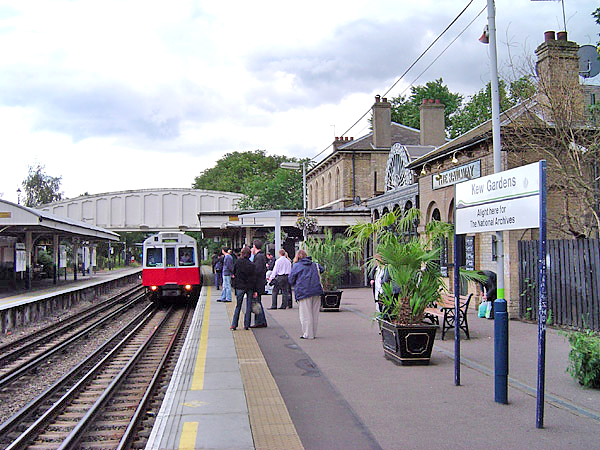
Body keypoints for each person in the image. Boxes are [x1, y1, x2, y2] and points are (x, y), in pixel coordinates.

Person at [288, 249, 324, 339]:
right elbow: (322, 269)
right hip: (316, 291)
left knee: (305, 314)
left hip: (303, 292)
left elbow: (291, 279)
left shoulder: (296, 266)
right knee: (314, 313)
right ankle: (313, 333)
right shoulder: (314, 264)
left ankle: (308, 334)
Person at [230, 247, 256, 330]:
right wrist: (255, 290)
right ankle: (246, 325)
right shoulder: (252, 265)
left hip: (239, 287)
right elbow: (253, 278)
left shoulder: (238, 262)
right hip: (249, 287)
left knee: (238, 306)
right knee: (248, 306)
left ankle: (234, 325)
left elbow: (233, 273)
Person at [250, 239, 268, 328]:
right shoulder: (261, 256)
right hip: (260, 283)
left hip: (258, 284)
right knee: (258, 302)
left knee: (257, 303)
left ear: (254, 246)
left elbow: (257, 272)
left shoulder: (258, 257)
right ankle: (261, 321)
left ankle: (260, 321)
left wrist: (255, 288)